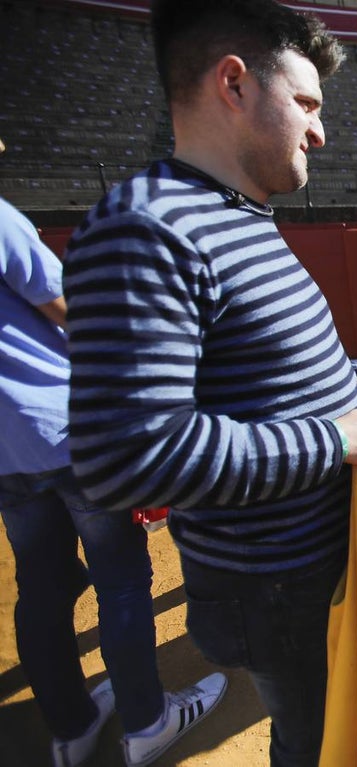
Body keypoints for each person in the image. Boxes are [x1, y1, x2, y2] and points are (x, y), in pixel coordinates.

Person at [62, 2, 357, 765]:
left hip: (302, 570)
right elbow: (127, 457)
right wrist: (336, 436)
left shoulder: (231, 212)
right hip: (274, 584)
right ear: (234, 83)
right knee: (321, 747)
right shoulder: (145, 226)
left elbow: (252, 368)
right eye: (307, 103)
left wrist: (349, 384)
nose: (320, 132)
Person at [0, 193, 226, 767]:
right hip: (69, 431)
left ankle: (70, 729)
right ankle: (148, 723)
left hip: (4, 456)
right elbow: (68, 309)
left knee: (40, 589)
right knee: (121, 580)